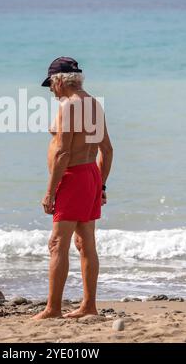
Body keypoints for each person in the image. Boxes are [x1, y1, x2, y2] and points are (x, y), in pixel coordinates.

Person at [32, 57, 113, 320]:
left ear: (59, 81)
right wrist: (100, 184)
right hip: (90, 174)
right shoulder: (93, 104)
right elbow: (107, 150)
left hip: (72, 177)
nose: (51, 91)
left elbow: (62, 153)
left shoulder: (69, 106)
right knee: (85, 242)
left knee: (58, 243)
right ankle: (89, 306)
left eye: (50, 85)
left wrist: (49, 191)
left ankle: (53, 309)